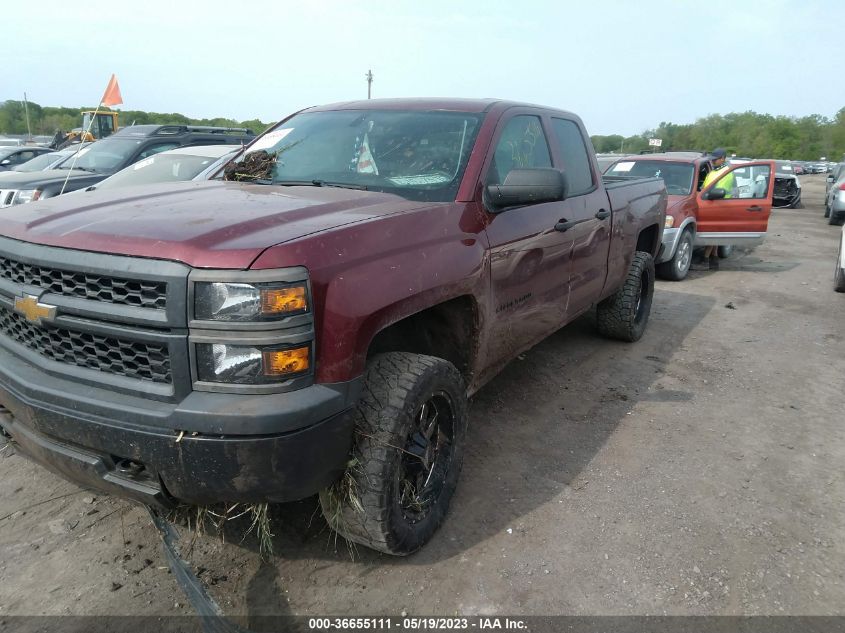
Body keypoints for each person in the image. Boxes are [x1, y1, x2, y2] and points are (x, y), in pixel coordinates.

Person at [693, 148, 734, 270]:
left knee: (712, 235)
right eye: (712, 159)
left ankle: (705, 260)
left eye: (715, 160)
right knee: (715, 234)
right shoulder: (714, 172)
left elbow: (717, 191)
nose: (713, 162)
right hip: (711, 204)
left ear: (723, 158)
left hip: (720, 206)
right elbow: (704, 187)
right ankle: (714, 260)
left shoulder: (727, 173)